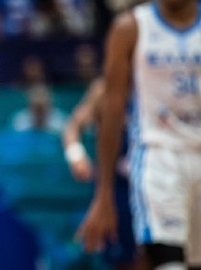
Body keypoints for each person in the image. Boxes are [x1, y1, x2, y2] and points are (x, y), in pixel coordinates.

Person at [77, 0, 201, 269]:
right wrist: (103, 192)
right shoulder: (131, 27)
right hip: (159, 155)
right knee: (168, 263)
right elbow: (112, 109)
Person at [63, 77, 138, 269]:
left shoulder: (159, 82)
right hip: (116, 187)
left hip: (155, 181)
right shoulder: (104, 88)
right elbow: (72, 127)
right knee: (123, 258)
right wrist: (76, 156)